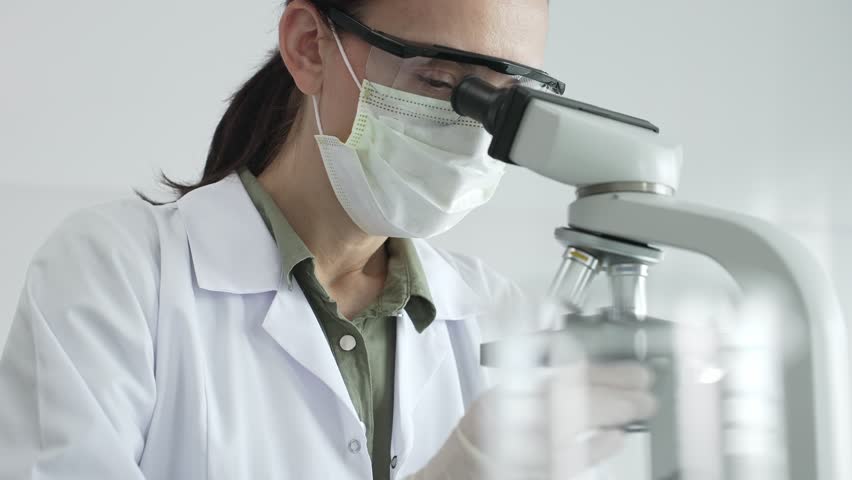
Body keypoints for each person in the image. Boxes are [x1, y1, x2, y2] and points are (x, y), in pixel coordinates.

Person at [0, 0, 656, 478]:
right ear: (310, 47)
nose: (468, 133)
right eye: (438, 80)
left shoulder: (499, 313)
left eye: (506, 101)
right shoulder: (114, 273)